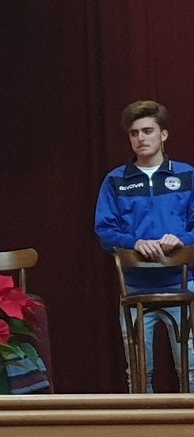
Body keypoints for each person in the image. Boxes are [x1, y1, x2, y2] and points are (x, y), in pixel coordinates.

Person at [95, 100, 194, 392]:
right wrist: (135, 242)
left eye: (147, 131)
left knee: (190, 371)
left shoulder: (186, 175)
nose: (140, 138)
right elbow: (105, 231)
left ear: (163, 135)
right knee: (138, 376)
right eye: (134, 133)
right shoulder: (116, 180)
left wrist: (182, 239)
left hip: (183, 284)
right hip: (135, 288)